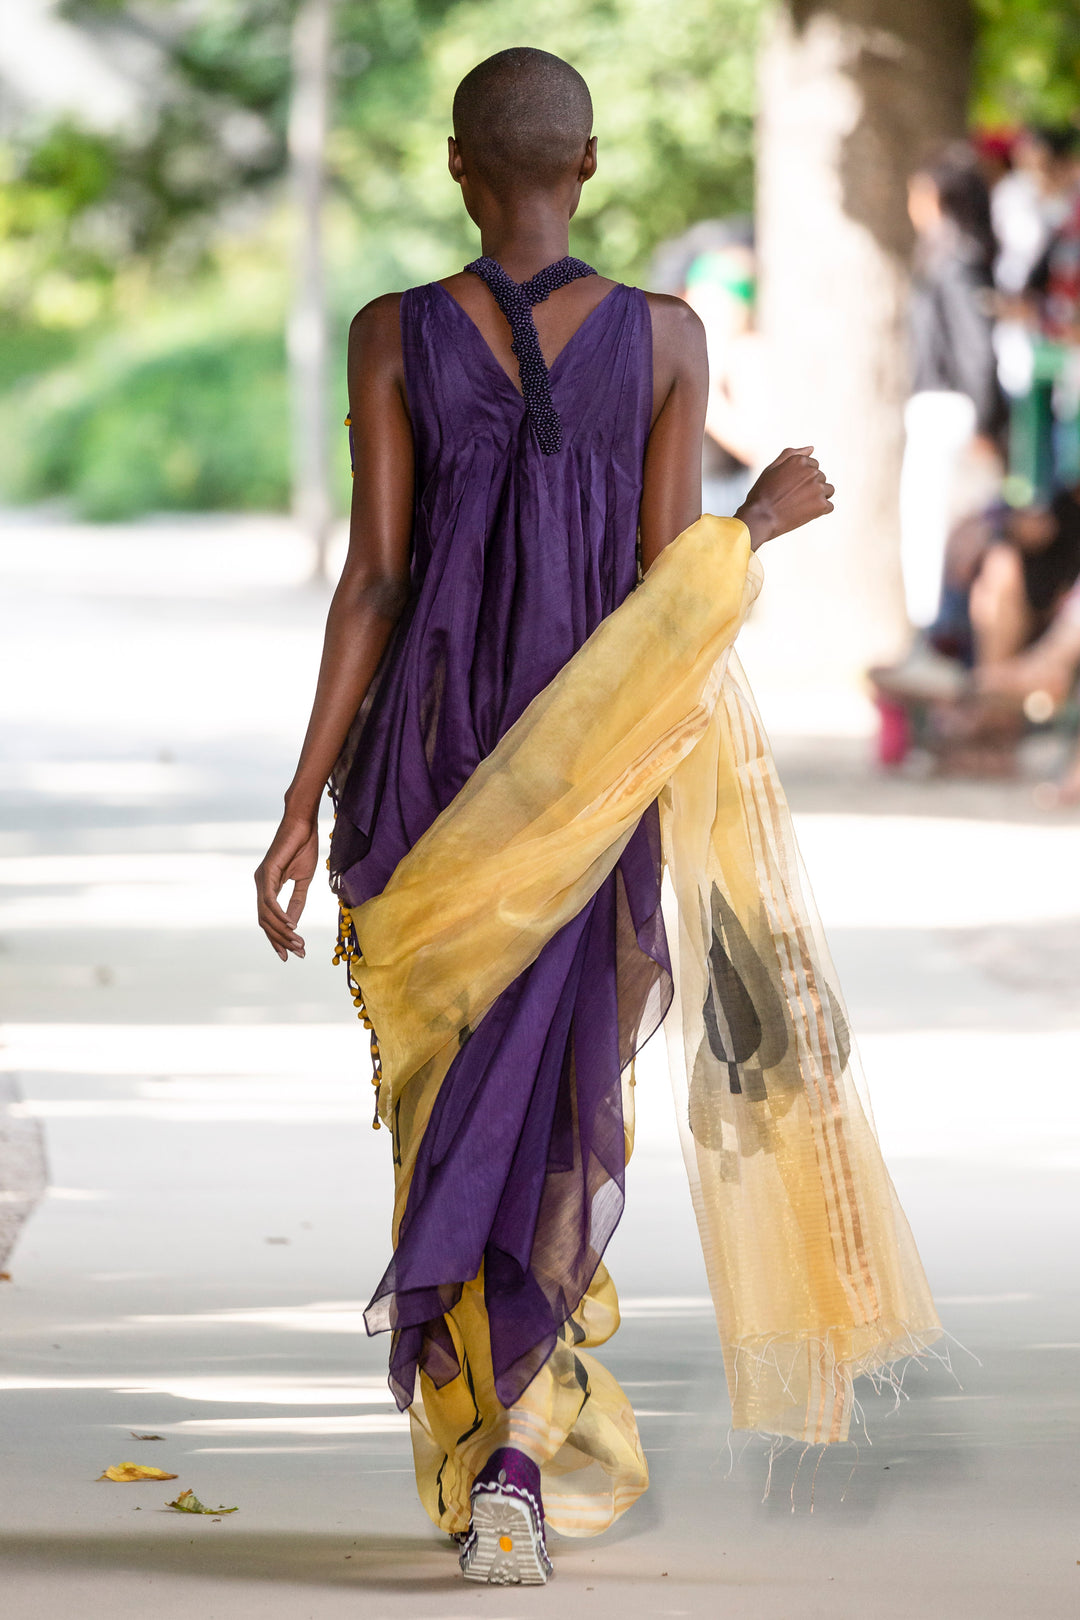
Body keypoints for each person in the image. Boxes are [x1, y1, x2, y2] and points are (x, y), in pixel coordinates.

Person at [255, 48, 942, 1586]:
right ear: (588, 164)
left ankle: (497, 1459)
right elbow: (660, 602)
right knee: (556, 1113)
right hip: (588, 778)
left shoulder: (391, 333)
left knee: (451, 1122)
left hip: (428, 779)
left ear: (457, 165)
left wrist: (303, 800)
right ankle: (508, 1464)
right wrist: (751, 528)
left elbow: (375, 581)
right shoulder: (668, 337)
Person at [900, 142, 1003, 633]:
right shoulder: (945, 259)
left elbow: (976, 349)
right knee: (929, 531)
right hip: (942, 409)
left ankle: (944, 636)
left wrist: (984, 419)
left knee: (942, 531)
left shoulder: (959, 262)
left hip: (953, 411)